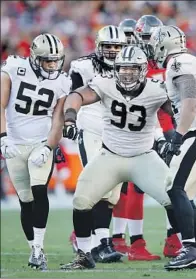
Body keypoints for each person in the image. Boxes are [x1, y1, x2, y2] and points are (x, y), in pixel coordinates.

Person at [60, 46, 178, 270]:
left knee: (176, 197)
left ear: (143, 70)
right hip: (110, 156)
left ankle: (192, 248)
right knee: (81, 199)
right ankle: (85, 255)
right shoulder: (105, 84)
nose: (126, 73)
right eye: (122, 68)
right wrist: (69, 118)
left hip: (143, 156)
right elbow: (76, 96)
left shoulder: (156, 89)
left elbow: (178, 109)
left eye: (132, 69)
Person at [150, 25, 196, 270]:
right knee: (185, 195)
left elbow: (190, 103)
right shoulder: (189, 61)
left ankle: (189, 249)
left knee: (175, 188)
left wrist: (177, 138)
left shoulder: (179, 63)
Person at [0, 33, 71, 270]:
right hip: (14, 143)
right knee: (25, 199)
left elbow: (57, 121)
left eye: (55, 60)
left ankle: (39, 250)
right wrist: (2, 138)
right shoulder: (14, 68)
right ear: (33, 57)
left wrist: (49, 146)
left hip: (41, 142)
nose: (52, 65)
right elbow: (0, 105)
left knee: (39, 191)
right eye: (47, 60)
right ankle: (33, 248)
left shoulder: (62, 81)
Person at [112, 15, 174, 261]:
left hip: (169, 131)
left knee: (174, 186)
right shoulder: (131, 62)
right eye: (147, 37)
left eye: (155, 37)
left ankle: (174, 238)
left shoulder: (171, 62)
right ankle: (124, 240)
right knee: (126, 188)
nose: (152, 42)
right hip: (139, 131)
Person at [68, 25, 126, 263]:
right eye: (108, 46)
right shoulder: (82, 66)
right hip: (91, 128)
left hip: (118, 133)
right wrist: (68, 122)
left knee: (112, 192)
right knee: (95, 184)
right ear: (98, 46)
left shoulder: (131, 67)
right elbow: (72, 96)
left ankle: (102, 242)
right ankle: (90, 243)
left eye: (117, 46)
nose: (112, 51)